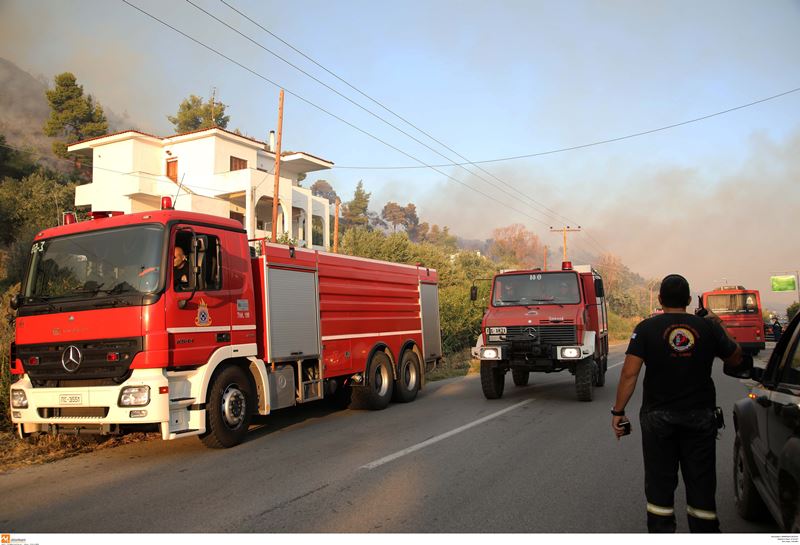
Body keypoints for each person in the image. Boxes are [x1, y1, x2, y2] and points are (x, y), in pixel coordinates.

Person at [611, 274, 743, 533]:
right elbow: (736, 358)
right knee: (701, 483)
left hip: (657, 418)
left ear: (660, 300)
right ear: (689, 299)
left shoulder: (646, 328)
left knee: (660, 483)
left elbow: (629, 374)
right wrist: (719, 325)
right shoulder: (708, 328)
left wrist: (618, 411)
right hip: (700, 417)